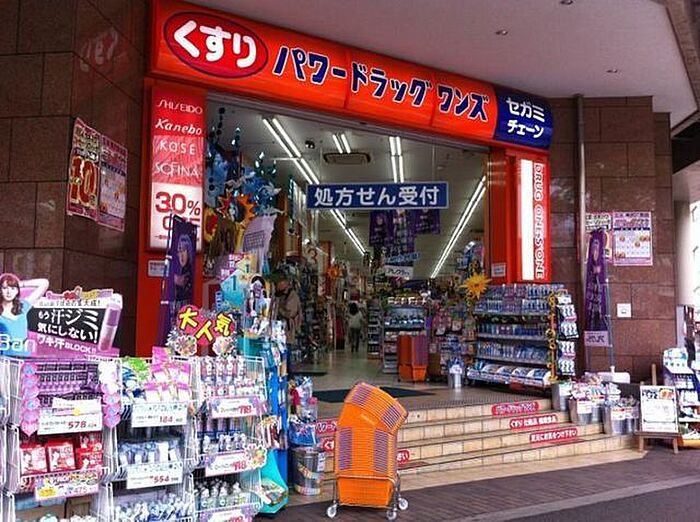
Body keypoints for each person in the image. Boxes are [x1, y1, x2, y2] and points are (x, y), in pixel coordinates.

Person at [0, 274, 49, 352]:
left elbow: (44, 283)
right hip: (5, 354)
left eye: (13, 288)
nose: (9, 292)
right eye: (5, 288)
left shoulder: (23, 306)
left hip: (24, 353)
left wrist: (20, 284)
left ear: (17, 291)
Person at [275, 277, 301, 345]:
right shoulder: (281, 293)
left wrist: (278, 309)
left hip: (287, 332)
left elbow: (290, 314)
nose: (277, 285)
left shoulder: (291, 295)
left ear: (285, 283)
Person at [174, 234, 194, 303]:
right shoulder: (181, 269)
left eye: (184, 250)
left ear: (189, 251)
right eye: (179, 251)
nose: (181, 255)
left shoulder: (190, 270)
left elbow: (182, 280)